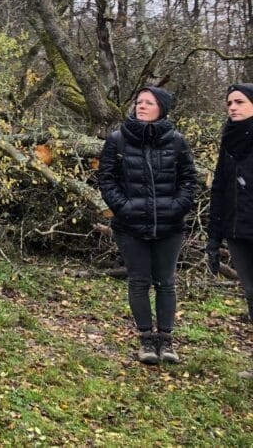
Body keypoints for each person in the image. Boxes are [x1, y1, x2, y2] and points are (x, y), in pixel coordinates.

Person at [97, 86, 197, 365]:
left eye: (148, 102)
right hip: (130, 226)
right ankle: (146, 341)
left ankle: (166, 341)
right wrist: (124, 207)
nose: (141, 106)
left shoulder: (176, 141)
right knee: (139, 280)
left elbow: (189, 179)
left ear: (161, 108)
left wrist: (177, 207)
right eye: (138, 101)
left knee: (166, 282)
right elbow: (106, 179)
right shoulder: (117, 140)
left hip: (170, 226)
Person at [205, 83, 253, 377]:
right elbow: (219, 189)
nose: (232, 107)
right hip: (238, 232)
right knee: (251, 293)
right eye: (229, 103)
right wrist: (213, 239)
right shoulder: (229, 140)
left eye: (239, 102)